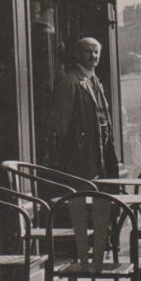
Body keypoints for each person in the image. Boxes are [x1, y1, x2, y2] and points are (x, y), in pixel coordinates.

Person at [49, 37, 119, 179]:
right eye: (88, 52)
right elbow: (61, 123)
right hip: (82, 155)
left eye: (96, 52)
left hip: (101, 150)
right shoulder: (70, 81)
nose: (93, 56)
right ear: (78, 55)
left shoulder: (95, 80)